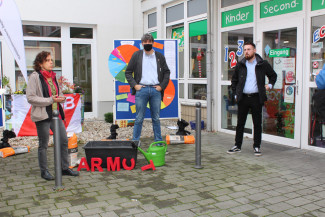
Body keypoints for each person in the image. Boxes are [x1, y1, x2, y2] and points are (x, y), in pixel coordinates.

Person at [26, 51, 79, 180]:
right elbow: (30, 98)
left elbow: (58, 93)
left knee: (63, 140)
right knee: (43, 144)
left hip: (56, 114)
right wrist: (51, 100)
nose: (51, 62)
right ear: (40, 63)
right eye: (48, 60)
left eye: (51, 60)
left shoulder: (53, 76)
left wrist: (61, 98)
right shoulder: (35, 77)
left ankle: (64, 168)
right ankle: (44, 171)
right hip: (42, 115)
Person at [227, 42, 277, 156]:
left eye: (249, 49)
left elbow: (273, 76)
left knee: (257, 123)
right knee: (240, 123)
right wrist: (235, 94)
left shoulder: (262, 64)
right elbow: (234, 81)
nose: (246, 52)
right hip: (243, 98)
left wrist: (270, 85)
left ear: (254, 50)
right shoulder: (240, 65)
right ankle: (237, 146)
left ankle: (257, 146)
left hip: (256, 97)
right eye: (245, 50)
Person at [125, 33, 170, 142]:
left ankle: (158, 142)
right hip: (142, 90)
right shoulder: (137, 55)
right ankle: (135, 143)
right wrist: (135, 85)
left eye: (149, 42)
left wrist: (161, 86)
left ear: (153, 43)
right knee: (139, 118)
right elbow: (128, 72)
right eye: (145, 42)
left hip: (156, 91)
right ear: (142, 43)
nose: (147, 44)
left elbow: (167, 72)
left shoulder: (159, 56)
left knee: (156, 119)